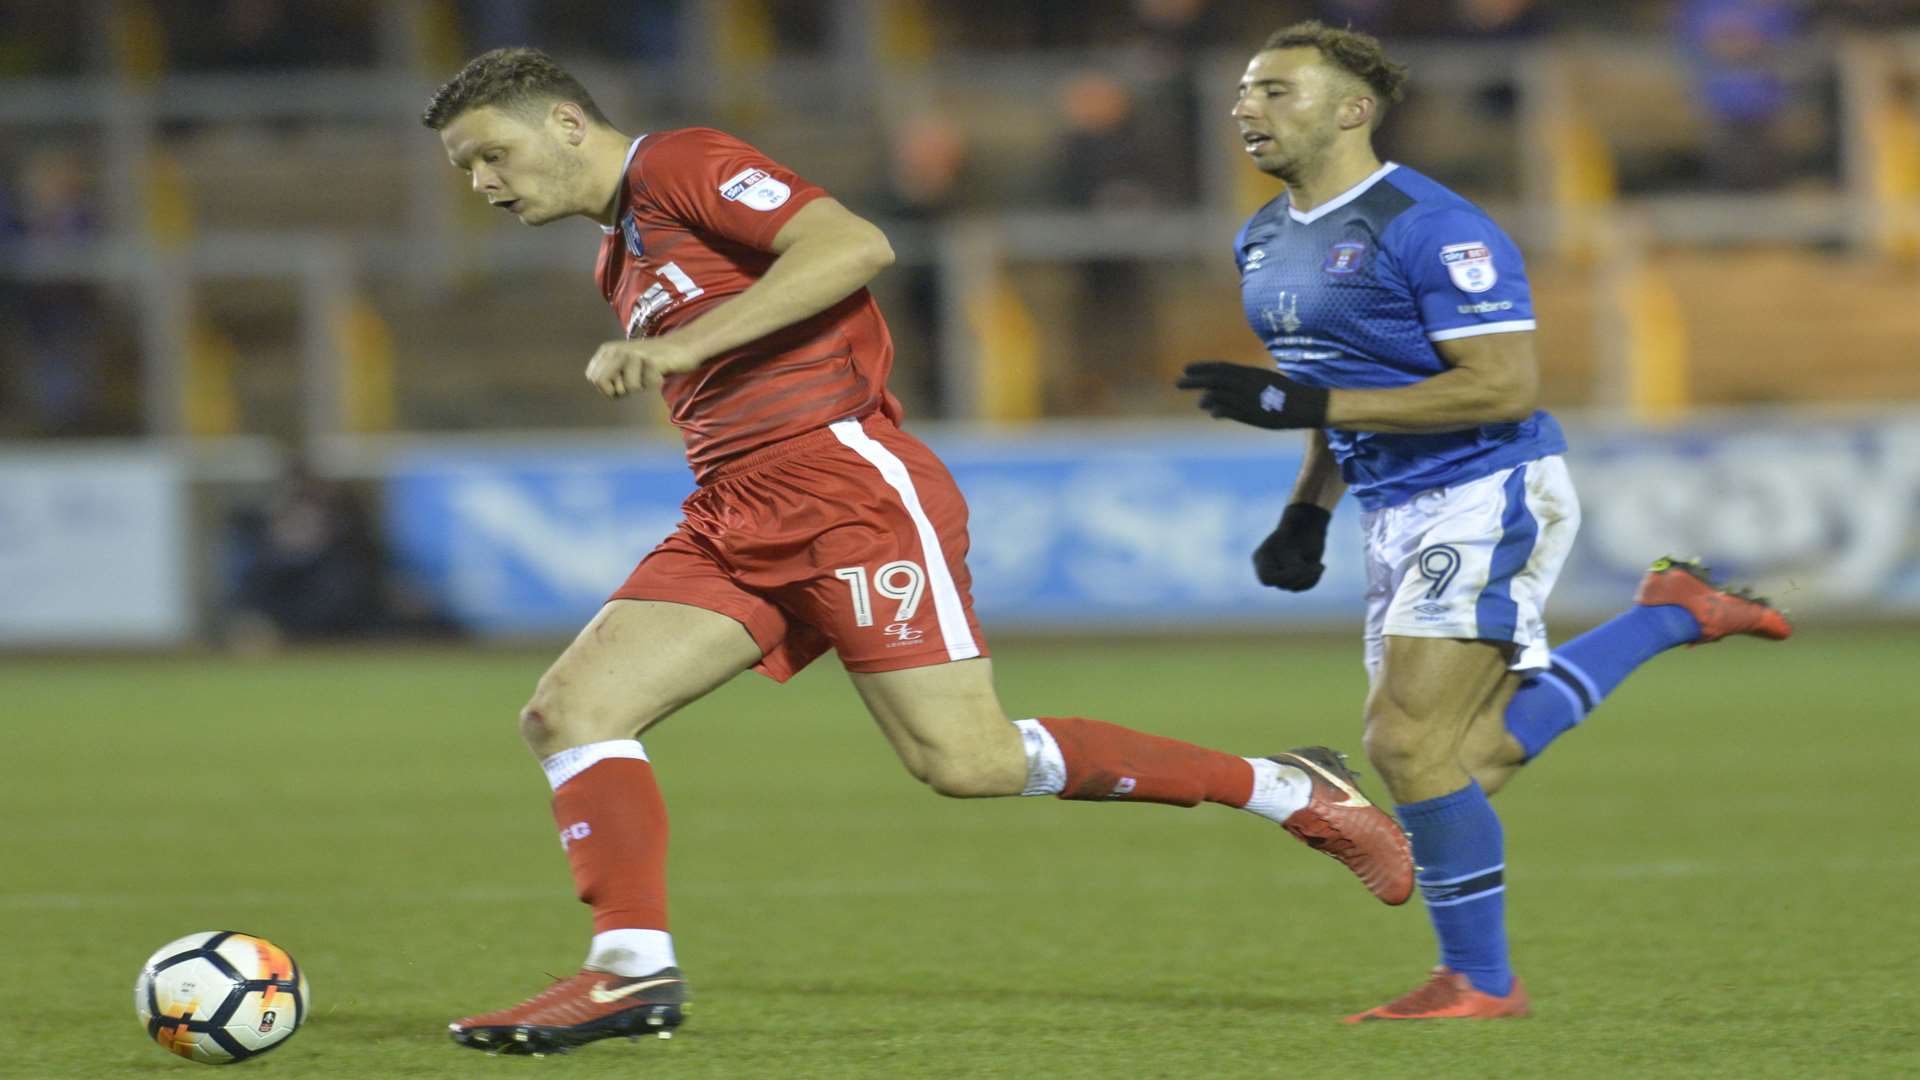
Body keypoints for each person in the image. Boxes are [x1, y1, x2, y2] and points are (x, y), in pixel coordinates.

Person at [419, 47, 1415, 1056]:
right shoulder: (616, 249)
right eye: (466, 170)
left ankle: (1288, 787)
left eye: (492, 154)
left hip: (845, 492)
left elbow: (853, 246)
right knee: (569, 711)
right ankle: (628, 971)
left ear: (568, 126)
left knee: (968, 761)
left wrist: (683, 344)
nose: (483, 184)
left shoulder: (682, 164)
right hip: (736, 507)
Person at [1175, 21, 1793, 1022]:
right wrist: (1307, 511)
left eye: (1277, 91)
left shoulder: (1432, 227)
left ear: (1353, 109)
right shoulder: (1262, 237)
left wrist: (1312, 412)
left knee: (1408, 743)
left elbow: (1502, 386)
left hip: (1489, 485)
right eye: (1246, 90)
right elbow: (1329, 391)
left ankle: (1481, 983)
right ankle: (1670, 613)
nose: (1248, 108)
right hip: (1389, 505)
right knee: (1468, 762)